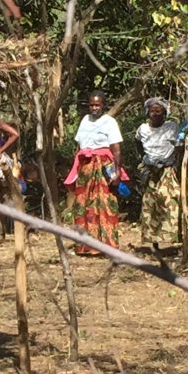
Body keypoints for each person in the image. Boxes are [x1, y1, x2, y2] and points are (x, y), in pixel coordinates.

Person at [63, 91, 127, 255]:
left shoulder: (110, 122)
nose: (94, 108)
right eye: (91, 105)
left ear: (103, 106)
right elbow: (79, 146)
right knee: (83, 205)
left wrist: (117, 172)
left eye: (97, 105)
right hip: (85, 167)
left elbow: (116, 149)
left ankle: (108, 245)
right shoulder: (85, 120)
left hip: (103, 167)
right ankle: (85, 246)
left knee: (104, 204)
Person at [135, 97, 185, 252]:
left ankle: (174, 241)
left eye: (159, 111)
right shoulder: (142, 129)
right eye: (152, 111)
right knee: (150, 205)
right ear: (147, 113)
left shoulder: (172, 127)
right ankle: (153, 243)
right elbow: (137, 143)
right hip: (150, 171)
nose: (155, 114)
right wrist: (144, 159)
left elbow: (180, 145)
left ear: (165, 113)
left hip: (167, 171)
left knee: (171, 203)